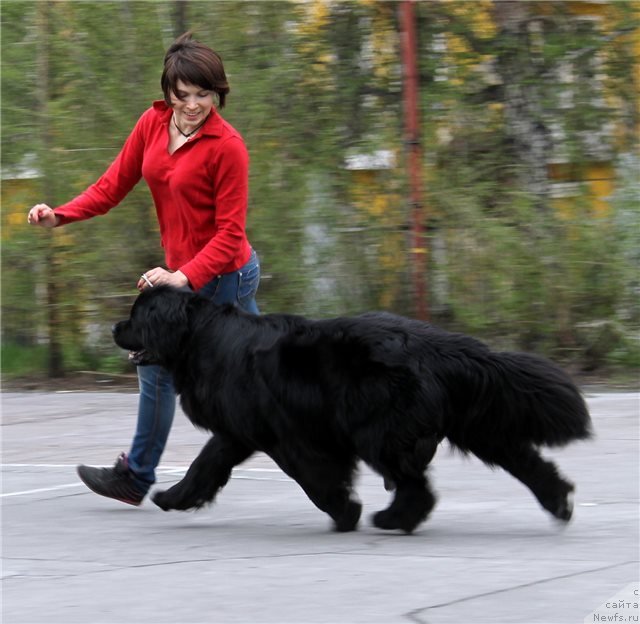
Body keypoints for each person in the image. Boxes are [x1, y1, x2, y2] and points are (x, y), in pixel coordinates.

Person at [27, 32, 260, 506]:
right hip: (182, 279)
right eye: (183, 95)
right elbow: (112, 185)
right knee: (161, 368)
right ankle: (136, 475)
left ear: (217, 91)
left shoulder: (227, 146)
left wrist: (183, 277)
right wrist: (61, 214)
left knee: (262, 379)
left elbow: (230, 234)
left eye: (204, 95)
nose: (194, 105)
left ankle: (335, 450)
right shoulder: (153, 125)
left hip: (225, 278)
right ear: (168, 92)